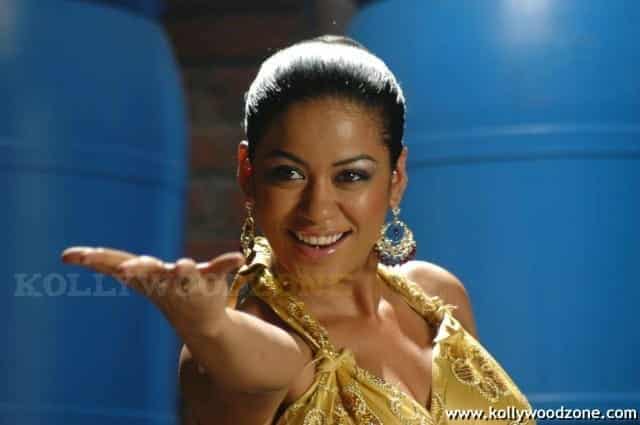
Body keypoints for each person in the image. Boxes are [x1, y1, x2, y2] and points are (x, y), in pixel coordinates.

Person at [62, 35, 535, 425]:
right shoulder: (251, 338)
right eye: (288, 173)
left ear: (396, 178)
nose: (317, 209)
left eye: (351, 175)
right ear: (247, 173)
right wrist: (210, 328)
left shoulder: (437, 297)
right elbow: (261, 366)